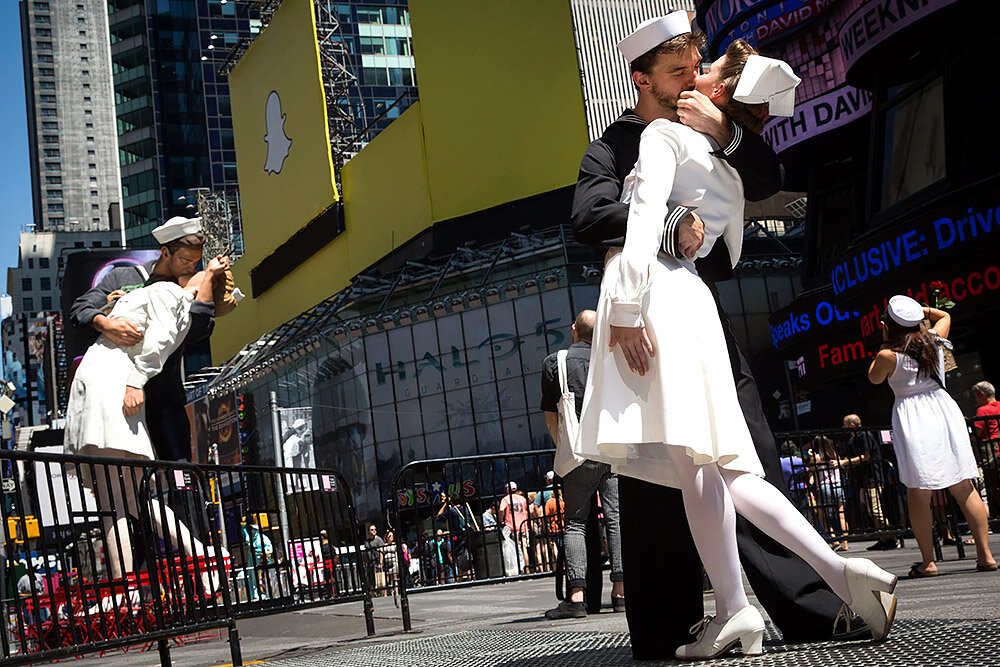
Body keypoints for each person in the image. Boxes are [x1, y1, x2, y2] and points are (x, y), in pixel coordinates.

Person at [575, 27, 899, 659]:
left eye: (698, 70)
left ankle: (797, 604)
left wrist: (722, 134)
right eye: (679, 72)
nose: (691, 82)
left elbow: (763, 175)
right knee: (692, 468)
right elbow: (592, 217)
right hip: (670, 301)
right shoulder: (615, 144)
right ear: (643, 78)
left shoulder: (703, 137)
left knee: (732, 455)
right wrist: (673, 227)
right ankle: (706, 614)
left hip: (679, 309)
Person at [64, 259, 233, 586]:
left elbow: (163, 344)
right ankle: (200, 555)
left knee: (116, 501)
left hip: (122, 394)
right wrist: (107, 315)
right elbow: (83, 308)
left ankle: (125, 586)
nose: (194, 267)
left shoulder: (176, 303)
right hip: (125, 395)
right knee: (133, 499)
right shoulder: (143, 286)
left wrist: (133, 377)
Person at [69, 216, 225, 462]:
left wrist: (205, 285)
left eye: (196, 262)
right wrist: (106, 323)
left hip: (164, 395)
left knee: (180, 473)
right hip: (117, 394)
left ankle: (185, 500)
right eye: (185, 260)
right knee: (125, 472)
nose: (190, 268)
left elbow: (199, 331)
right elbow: (81, 309)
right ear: (165, 252)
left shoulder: (191, 287)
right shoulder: (123, 277)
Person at [867, 295, 997, 576]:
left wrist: (885, 336)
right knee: (964, 485)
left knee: (918, 490)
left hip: (913, 417)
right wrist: (922, 310)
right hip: (944, 409)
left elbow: (874, 378)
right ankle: (985, 555)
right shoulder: (935, 340)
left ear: (889, 323)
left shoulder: (888, 355)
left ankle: (928, 562)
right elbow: (946, 317)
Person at [540, 310, 624, 618]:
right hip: (612, 450)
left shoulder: (555, 363)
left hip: (578, 453)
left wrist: (565, 448)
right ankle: (620, 593)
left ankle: (576, 597)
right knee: (616, 520)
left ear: (574, 330)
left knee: (575, 523)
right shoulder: (612, 358)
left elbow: (551, 418)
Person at [840, 415, 899, 551]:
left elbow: (866, 457)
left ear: (852, 425)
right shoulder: (853, 440)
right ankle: (885, 537)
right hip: (864, 478)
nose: (843, 427)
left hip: (873, 476)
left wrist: (844, 462)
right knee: (870, 509)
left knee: (874, 508)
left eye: (845, 424)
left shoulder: (864, 436)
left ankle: (891, 536)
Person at [498, 481, 531, 572]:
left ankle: (520, 568)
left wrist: (500, 520)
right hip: (523, 525)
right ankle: (527, 568)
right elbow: (527, 511)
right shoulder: (522, 499)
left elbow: (501, 510)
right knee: (524, 548)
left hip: (512, 526)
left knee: (515, 548)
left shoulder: (506, 499)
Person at [365, 524, 387, 592]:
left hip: (377, 562)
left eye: (375, 529)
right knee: (371, 580)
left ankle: (383, 594)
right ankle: (372, 594)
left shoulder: (379, 540)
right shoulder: (367, 542)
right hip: (370, 563)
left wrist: (381, 562)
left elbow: (381, 551)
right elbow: (365, 552)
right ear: (369, 532)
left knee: (380, 580)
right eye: (372, 530)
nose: (374, 531)